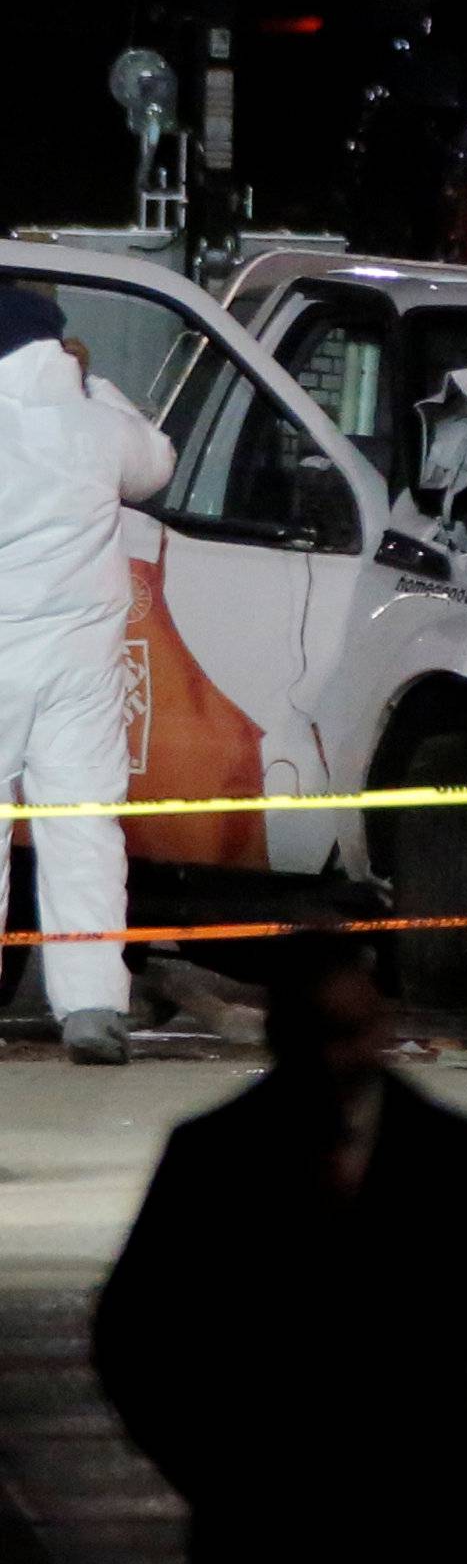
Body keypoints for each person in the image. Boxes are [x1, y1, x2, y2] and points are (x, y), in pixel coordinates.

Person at [93, 930, 467, 1564]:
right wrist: (213, 1467)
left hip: (412, 1530)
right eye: (319, 1036)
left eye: (350, 1035)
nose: (335, 1061)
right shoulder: (214, 1156)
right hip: (265, 1534)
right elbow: (133, 1332)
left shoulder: (451, 1157)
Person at [0, 287, 174, 1064]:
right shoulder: (99, 427)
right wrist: (97, 383)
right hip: (80, 669)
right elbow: (157, 462)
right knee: (83, 829)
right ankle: (94, 1006)